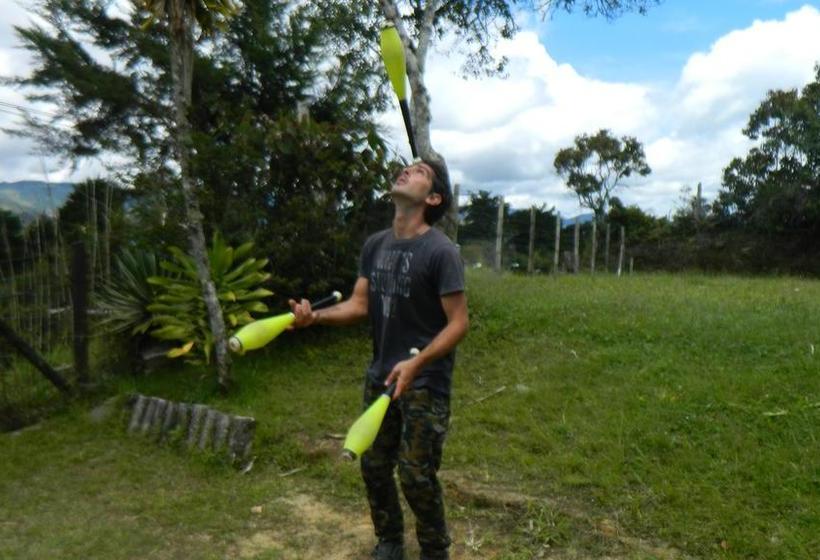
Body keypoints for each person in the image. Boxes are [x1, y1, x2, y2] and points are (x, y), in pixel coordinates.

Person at [289, 158, 469, 560]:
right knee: (373, 465)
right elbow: (358, 305)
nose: (407, 171)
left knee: (416, 475)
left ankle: (434, 550)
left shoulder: (441, 252)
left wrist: (417, 362)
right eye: (407, 167)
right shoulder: (376, 244)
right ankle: (389, 541)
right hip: (382, 377)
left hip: (425, 381)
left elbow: (458, 324)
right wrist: (313, 317)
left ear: (434, 197)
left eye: (420, 172)